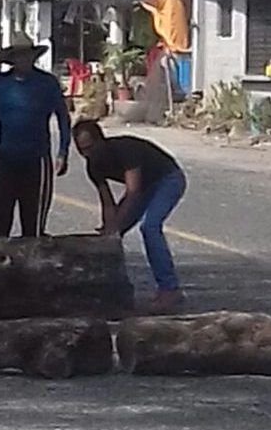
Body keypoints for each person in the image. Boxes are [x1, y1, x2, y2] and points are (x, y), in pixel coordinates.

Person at [72, 120, 186, 314]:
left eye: (90, 148)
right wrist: (110, 230)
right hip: (144, 187)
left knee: (149, 227)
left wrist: (116, 224)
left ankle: (169, 288)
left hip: (168, 178)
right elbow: (107, 203)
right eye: (82, 151)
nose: (88, 155)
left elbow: (133, 191)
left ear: (101, 141)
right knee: (111, 237)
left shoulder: (124, 149)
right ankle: (108, 288)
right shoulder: (93, 166)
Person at [0, 32, 71, 238]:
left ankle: (31, 266)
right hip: (6, 157)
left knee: (33, 221)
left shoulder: (47, 83)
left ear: (33, 58)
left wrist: (62, 152)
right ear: (12, 59)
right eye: (18, 56)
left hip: (37, 159)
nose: (23, 60)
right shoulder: (2, 83)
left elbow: (63, 117)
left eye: (27, 56)